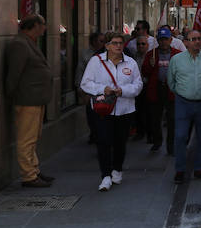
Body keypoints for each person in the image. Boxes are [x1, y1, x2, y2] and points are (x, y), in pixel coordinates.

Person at [79, 31, 143, 191]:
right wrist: (102, 89)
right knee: (103, 141)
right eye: (114, 43)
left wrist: (124, 90)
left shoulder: (130, 63)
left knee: (120, 142)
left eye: (121, 43)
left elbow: (138, 85)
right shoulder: (96, 61)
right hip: (103, 110)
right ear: (107, 46)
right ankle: (105, 175)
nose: (118, 46)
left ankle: (117, 169)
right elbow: (85, 83)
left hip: (124, 109)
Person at [5, 14, 54, 188]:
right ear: (34, 26)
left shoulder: (28, 42)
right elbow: (14, 73)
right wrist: (12, 94)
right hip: (27, 99)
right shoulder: (19, 44)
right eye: (43, 25)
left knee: (33, 137)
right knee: (26, 139)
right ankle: (28, 176)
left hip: (36, 99)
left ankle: (34, 170)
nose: (45, 28)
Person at [167, 30, 201, 183]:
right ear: (186, 42)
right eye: (192, 39)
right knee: (181, 136)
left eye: (199, 39)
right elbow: (171, 82)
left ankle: (199, 168)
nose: (196, 42)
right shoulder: (176, 60)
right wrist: (184, 93)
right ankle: (180, 170)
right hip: (183, 103)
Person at [141, 27, 180, 153]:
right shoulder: (151, 54)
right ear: (157, 40)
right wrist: (150, 65)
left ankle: (171, 146)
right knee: (155, 118)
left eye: (166, 39)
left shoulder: (177, 54)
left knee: (172, 119)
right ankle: (157, 141)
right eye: (161, 40)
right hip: (156, 89)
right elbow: (145, 73)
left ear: (170, 40)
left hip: (171, 89)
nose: (163, 42)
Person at [75, 31, 109, 144]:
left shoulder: (108, 53)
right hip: (91, 91)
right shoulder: (86, 54)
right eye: (101, 41)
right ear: (93, 42)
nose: (103, 43)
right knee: (91, 115)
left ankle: (101, 137)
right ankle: (95, 134)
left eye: (104, 41)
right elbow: (80, 72)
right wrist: (80, 88)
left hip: (104, 90)